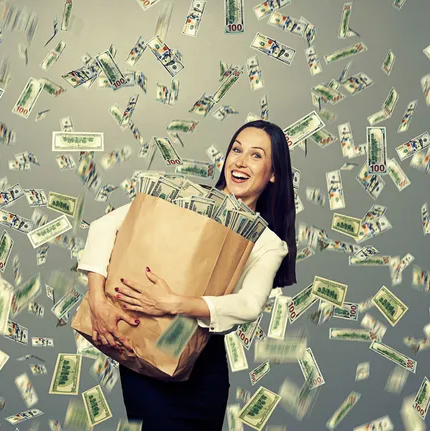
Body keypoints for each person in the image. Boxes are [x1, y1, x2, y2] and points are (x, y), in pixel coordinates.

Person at [76, 120, 298, 431]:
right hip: (147, 348)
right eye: (236, 149)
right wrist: (98, 300)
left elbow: (249, 304)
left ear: (274, 173)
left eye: (256, 155)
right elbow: (102, 228)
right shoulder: (183, 199)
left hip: (203, 369)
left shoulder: (267, 243)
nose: (240, 161)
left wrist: (173, 303)